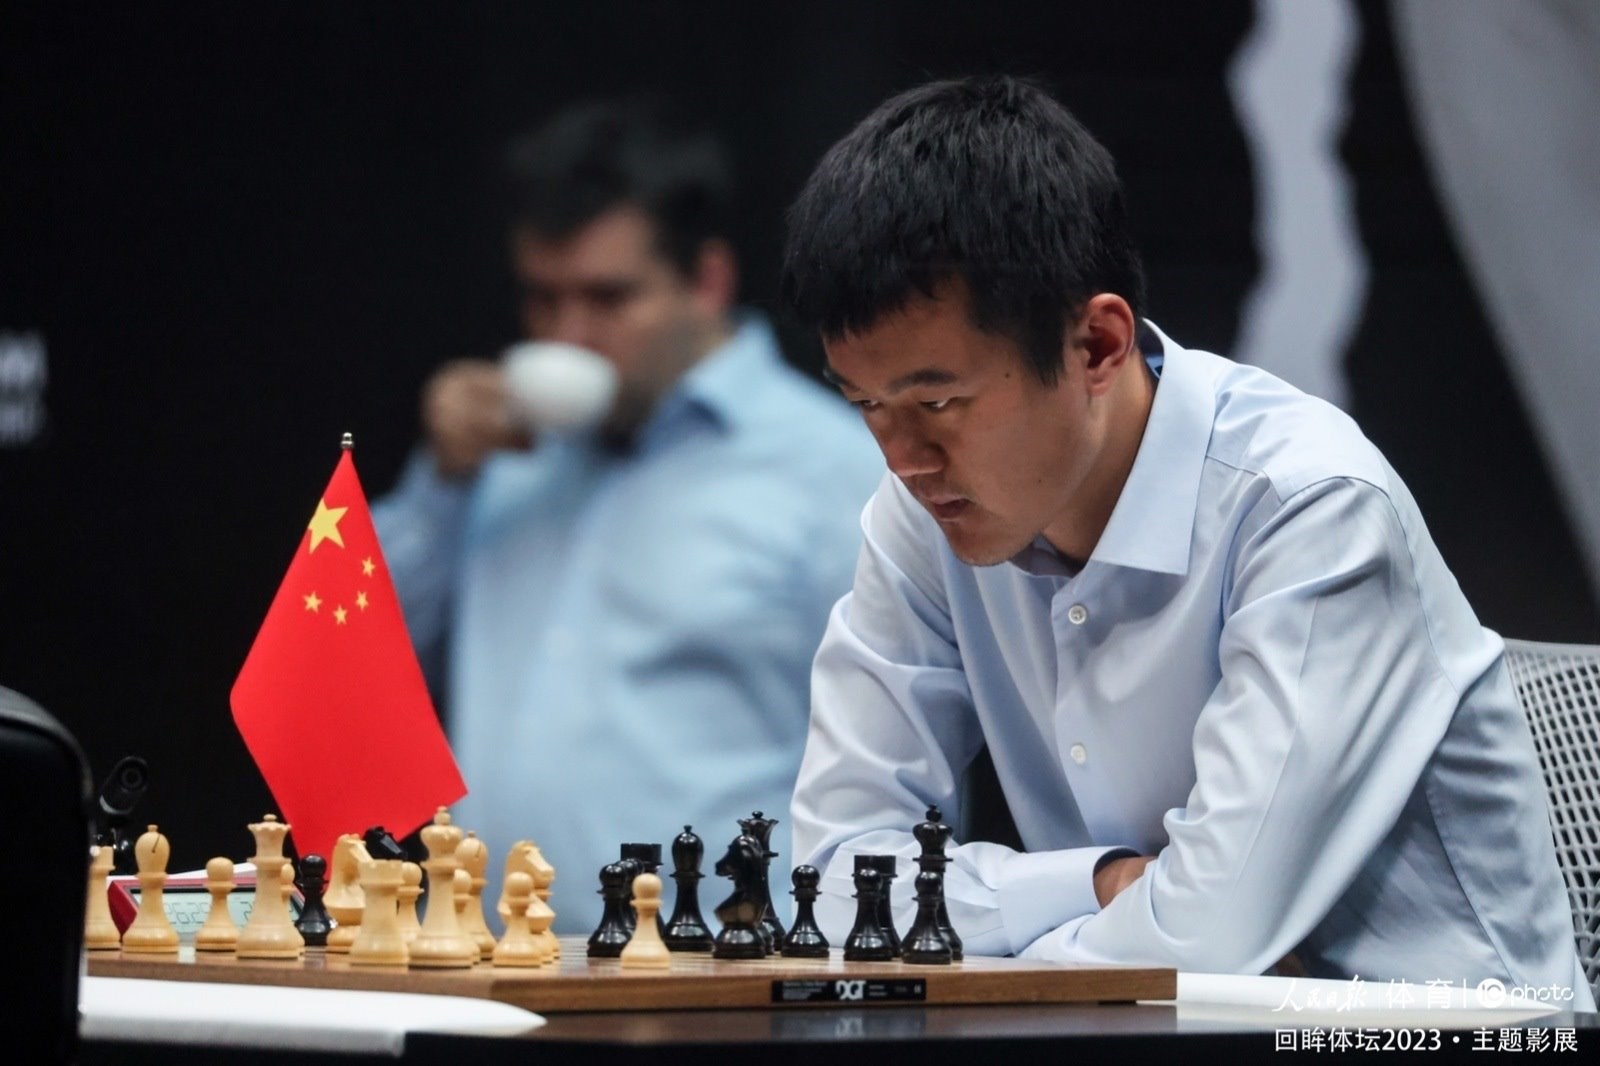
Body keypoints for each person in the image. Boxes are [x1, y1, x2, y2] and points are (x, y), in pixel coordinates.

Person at [783, 75, 1593, 1005]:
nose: (903, 458)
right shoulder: (921, 515)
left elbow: (1206, 937)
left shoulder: (1309, 505)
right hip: (1148, 1024)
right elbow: (837, 888)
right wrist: (1103, 886)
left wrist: (1012, 922)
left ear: (1097, 346)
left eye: (937, 403)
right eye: (866, 405)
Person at [374, 98, 879, 928]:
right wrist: (440, 483)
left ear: (707, 282)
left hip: (713, 980)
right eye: (543, 299)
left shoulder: (837, 469)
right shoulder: (498, 454)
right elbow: (359, 671)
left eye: (608, 298)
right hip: (483, 963)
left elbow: (902, 764)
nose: (568, 336)